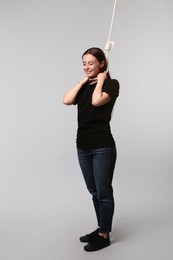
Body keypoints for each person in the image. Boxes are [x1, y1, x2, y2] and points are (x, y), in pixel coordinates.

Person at [63, 47, 119, 252]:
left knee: (103, 193)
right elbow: (66, 100)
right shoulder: (85, 85)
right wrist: (82, 82)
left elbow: (97, 101)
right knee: (94, 191)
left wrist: (102, 80)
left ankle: (104, 235)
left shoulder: (112, 85)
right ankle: (101, 227)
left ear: (102, 64)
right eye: (84, 63)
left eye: (91, 63)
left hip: (102, 147)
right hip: (83, 146)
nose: (86, 67)